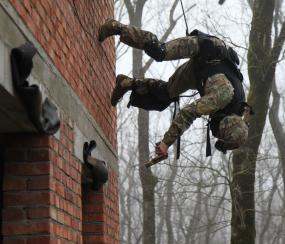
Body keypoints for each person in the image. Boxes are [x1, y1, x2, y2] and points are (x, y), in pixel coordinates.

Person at [98, 19, 253, 159]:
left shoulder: (236, 114)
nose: (215, 133)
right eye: (219, 133)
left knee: (166, 93)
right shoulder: (223, 97)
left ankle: (125, 83)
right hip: (206, 49)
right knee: (159, 51)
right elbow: (188, 113)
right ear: (226, 124)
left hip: (201, 73)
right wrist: (166, 143)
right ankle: (116, 27)